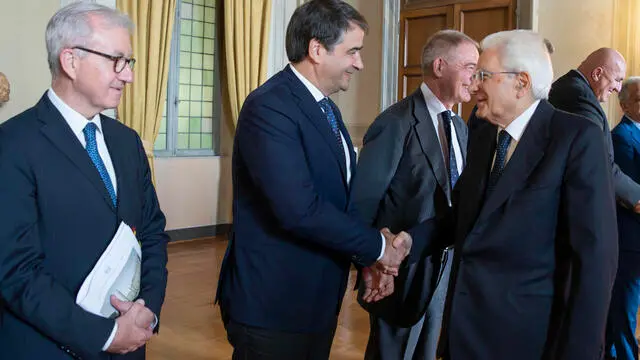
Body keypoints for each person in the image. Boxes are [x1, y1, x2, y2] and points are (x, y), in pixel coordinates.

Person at [215, 1, 414, 359]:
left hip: (315, 301)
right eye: (352, 51)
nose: (360, 63)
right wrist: (379, 248)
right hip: (273, 305)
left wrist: (365, 258)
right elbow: (299, 210)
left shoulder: (327, 108)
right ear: (317, 49)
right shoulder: (270, 106)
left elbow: (340, 201)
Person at [0, 3, 169, 359]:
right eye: (116, 60)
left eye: (130, 62)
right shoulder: (13, 145)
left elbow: (152, 231)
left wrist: (147, 310)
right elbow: (15, 270)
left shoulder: (127, 142)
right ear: (71, 61)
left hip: (131, 342)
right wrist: (104, 335)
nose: (129, 76)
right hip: (50, 347)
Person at [437, 30, 617, 359]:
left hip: (531, 341)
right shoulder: (482, 135)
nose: (473, 85)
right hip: (466, 335)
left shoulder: (575, 139)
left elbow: (593, 260)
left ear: (521, 82)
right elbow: (461, 218)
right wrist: (405, 242)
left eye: (483, 75)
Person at [352, 30, 477, 360]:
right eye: (469, 67)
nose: (474, 77)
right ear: (439, 66)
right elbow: (364, 203)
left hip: (445, 267)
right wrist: (371, 262)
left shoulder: (461, 127)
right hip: (399, 274)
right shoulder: (394, 122)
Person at [549, 48, 640, 213]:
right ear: (597, 73)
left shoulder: (572, 88)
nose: (619, 89)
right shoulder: (579, 98)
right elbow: (599, 162)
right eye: (617, 80)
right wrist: (636, 196)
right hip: (574, 209)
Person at [605, 77, 640, 360]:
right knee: (624, 310)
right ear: (624, 104)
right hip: (631, 240)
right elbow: (629, 193)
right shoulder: (621, 136)